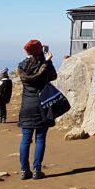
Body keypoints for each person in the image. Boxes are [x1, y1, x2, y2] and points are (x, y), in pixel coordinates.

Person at [17, 40, 57, 180]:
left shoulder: (22, 65)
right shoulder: (43, 65)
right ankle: (36, 170)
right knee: (40, 138)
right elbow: (53, 76)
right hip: (42, 105)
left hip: (26, 106)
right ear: (40, 50)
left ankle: (24, 170)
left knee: (25, 139)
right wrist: (48, 61)